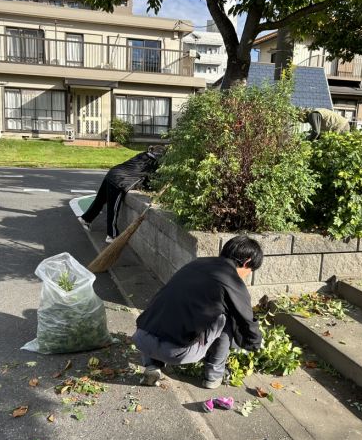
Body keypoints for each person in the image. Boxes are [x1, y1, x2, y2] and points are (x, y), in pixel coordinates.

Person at [132, 235, 263, 389]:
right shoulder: (231, 280)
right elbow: (245, 321)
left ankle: (152, 365)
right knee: (227, 318)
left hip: (142, 339)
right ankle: (214, 377)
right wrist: (256, 345)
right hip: (176, 352)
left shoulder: (197, 263)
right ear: (247, 262)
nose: (248, 275)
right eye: (250, 270)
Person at [78, 145, 165, 243]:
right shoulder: (153, 164)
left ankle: (86, 219)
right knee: (113, 209)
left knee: (100, 200)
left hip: (112, 173)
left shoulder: (142, 155)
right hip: (119, 182)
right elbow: (149, 181)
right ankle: (112, 235)